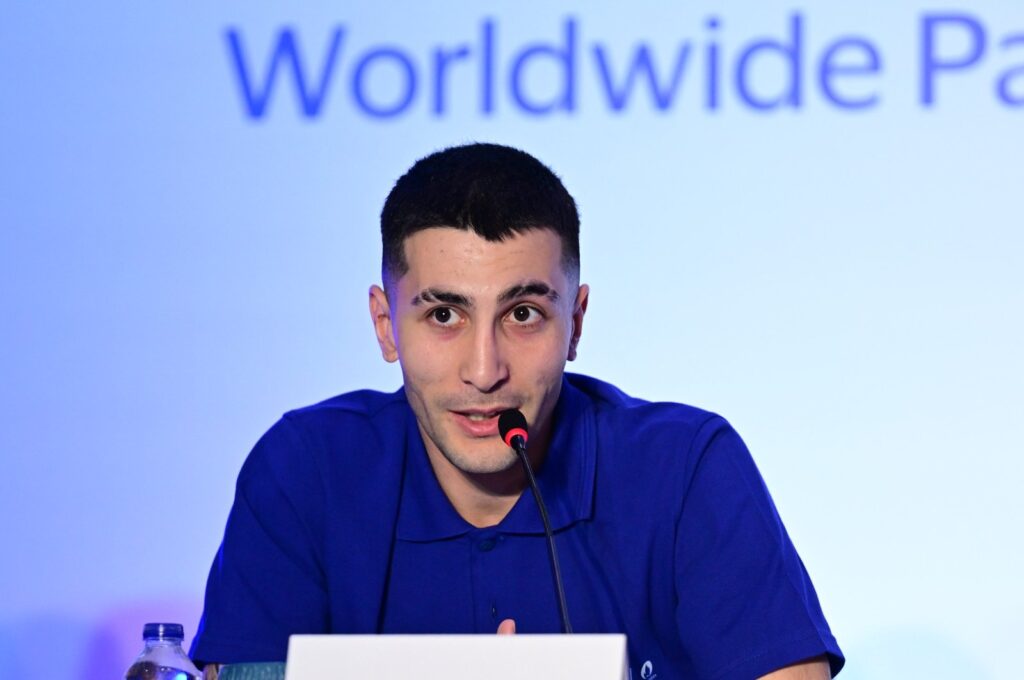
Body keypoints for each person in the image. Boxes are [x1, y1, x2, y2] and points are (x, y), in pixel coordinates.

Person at [190, 143, 844, 679]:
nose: (484, 371)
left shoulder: (684, 466)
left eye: (523, 314)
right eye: (443, 315)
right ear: (386, 327)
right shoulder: (305, 470)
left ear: (576, 322)